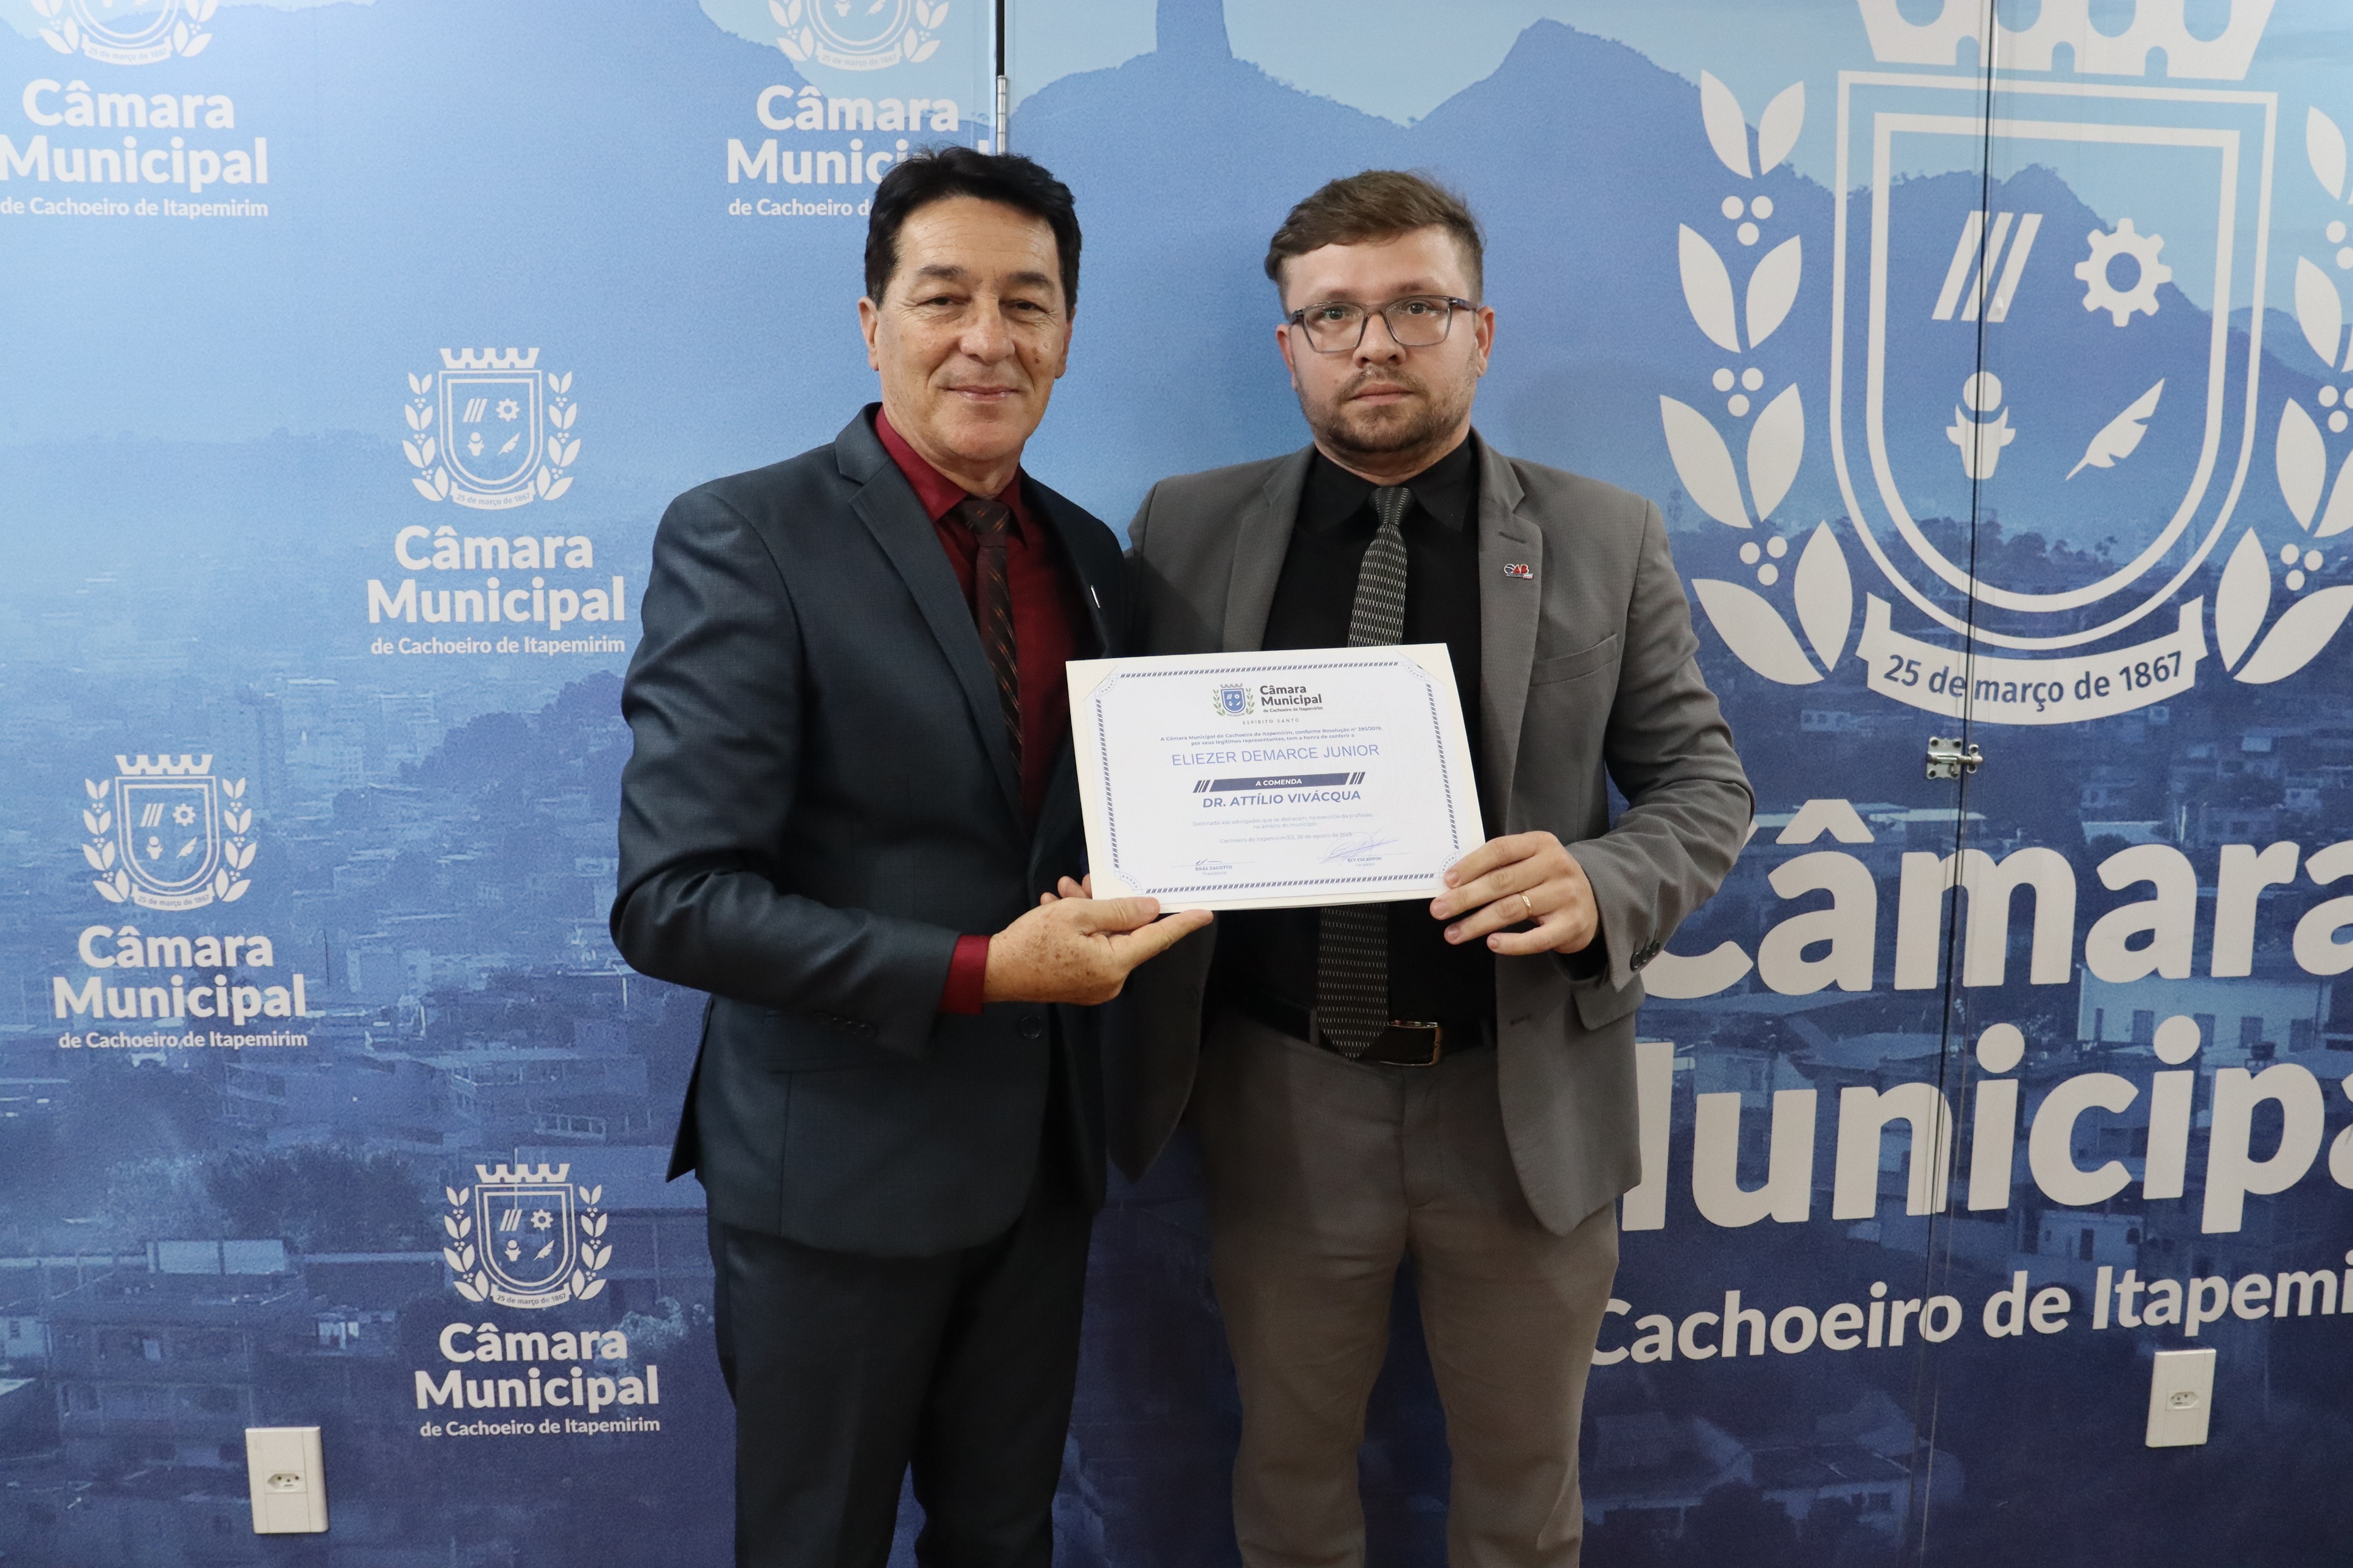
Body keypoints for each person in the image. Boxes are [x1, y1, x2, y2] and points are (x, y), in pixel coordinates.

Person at [1106, 170, 1753, 1567]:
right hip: (1282, 1097)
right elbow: (1130, 777)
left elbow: (1704, 786)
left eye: (1415, 307)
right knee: (1289, 1490)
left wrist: (1600, 882)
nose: (1374, 345)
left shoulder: (1604, 534)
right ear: (1288, 346)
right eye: (1331, 316)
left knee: (1523, 1506)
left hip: (1520, 1100)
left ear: (1480, 331)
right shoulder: (1182, 527)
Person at [611, 146, 1209, 1568]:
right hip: (833, 1177)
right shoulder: (745, 535)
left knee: (1005, 1542)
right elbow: (673, 901)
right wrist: (983, 968)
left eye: (1027, 303)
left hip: (1040, 1168)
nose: (987, 339)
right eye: (945, 298)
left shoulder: (1092, 557)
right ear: (872, 321)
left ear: (1067, 334)